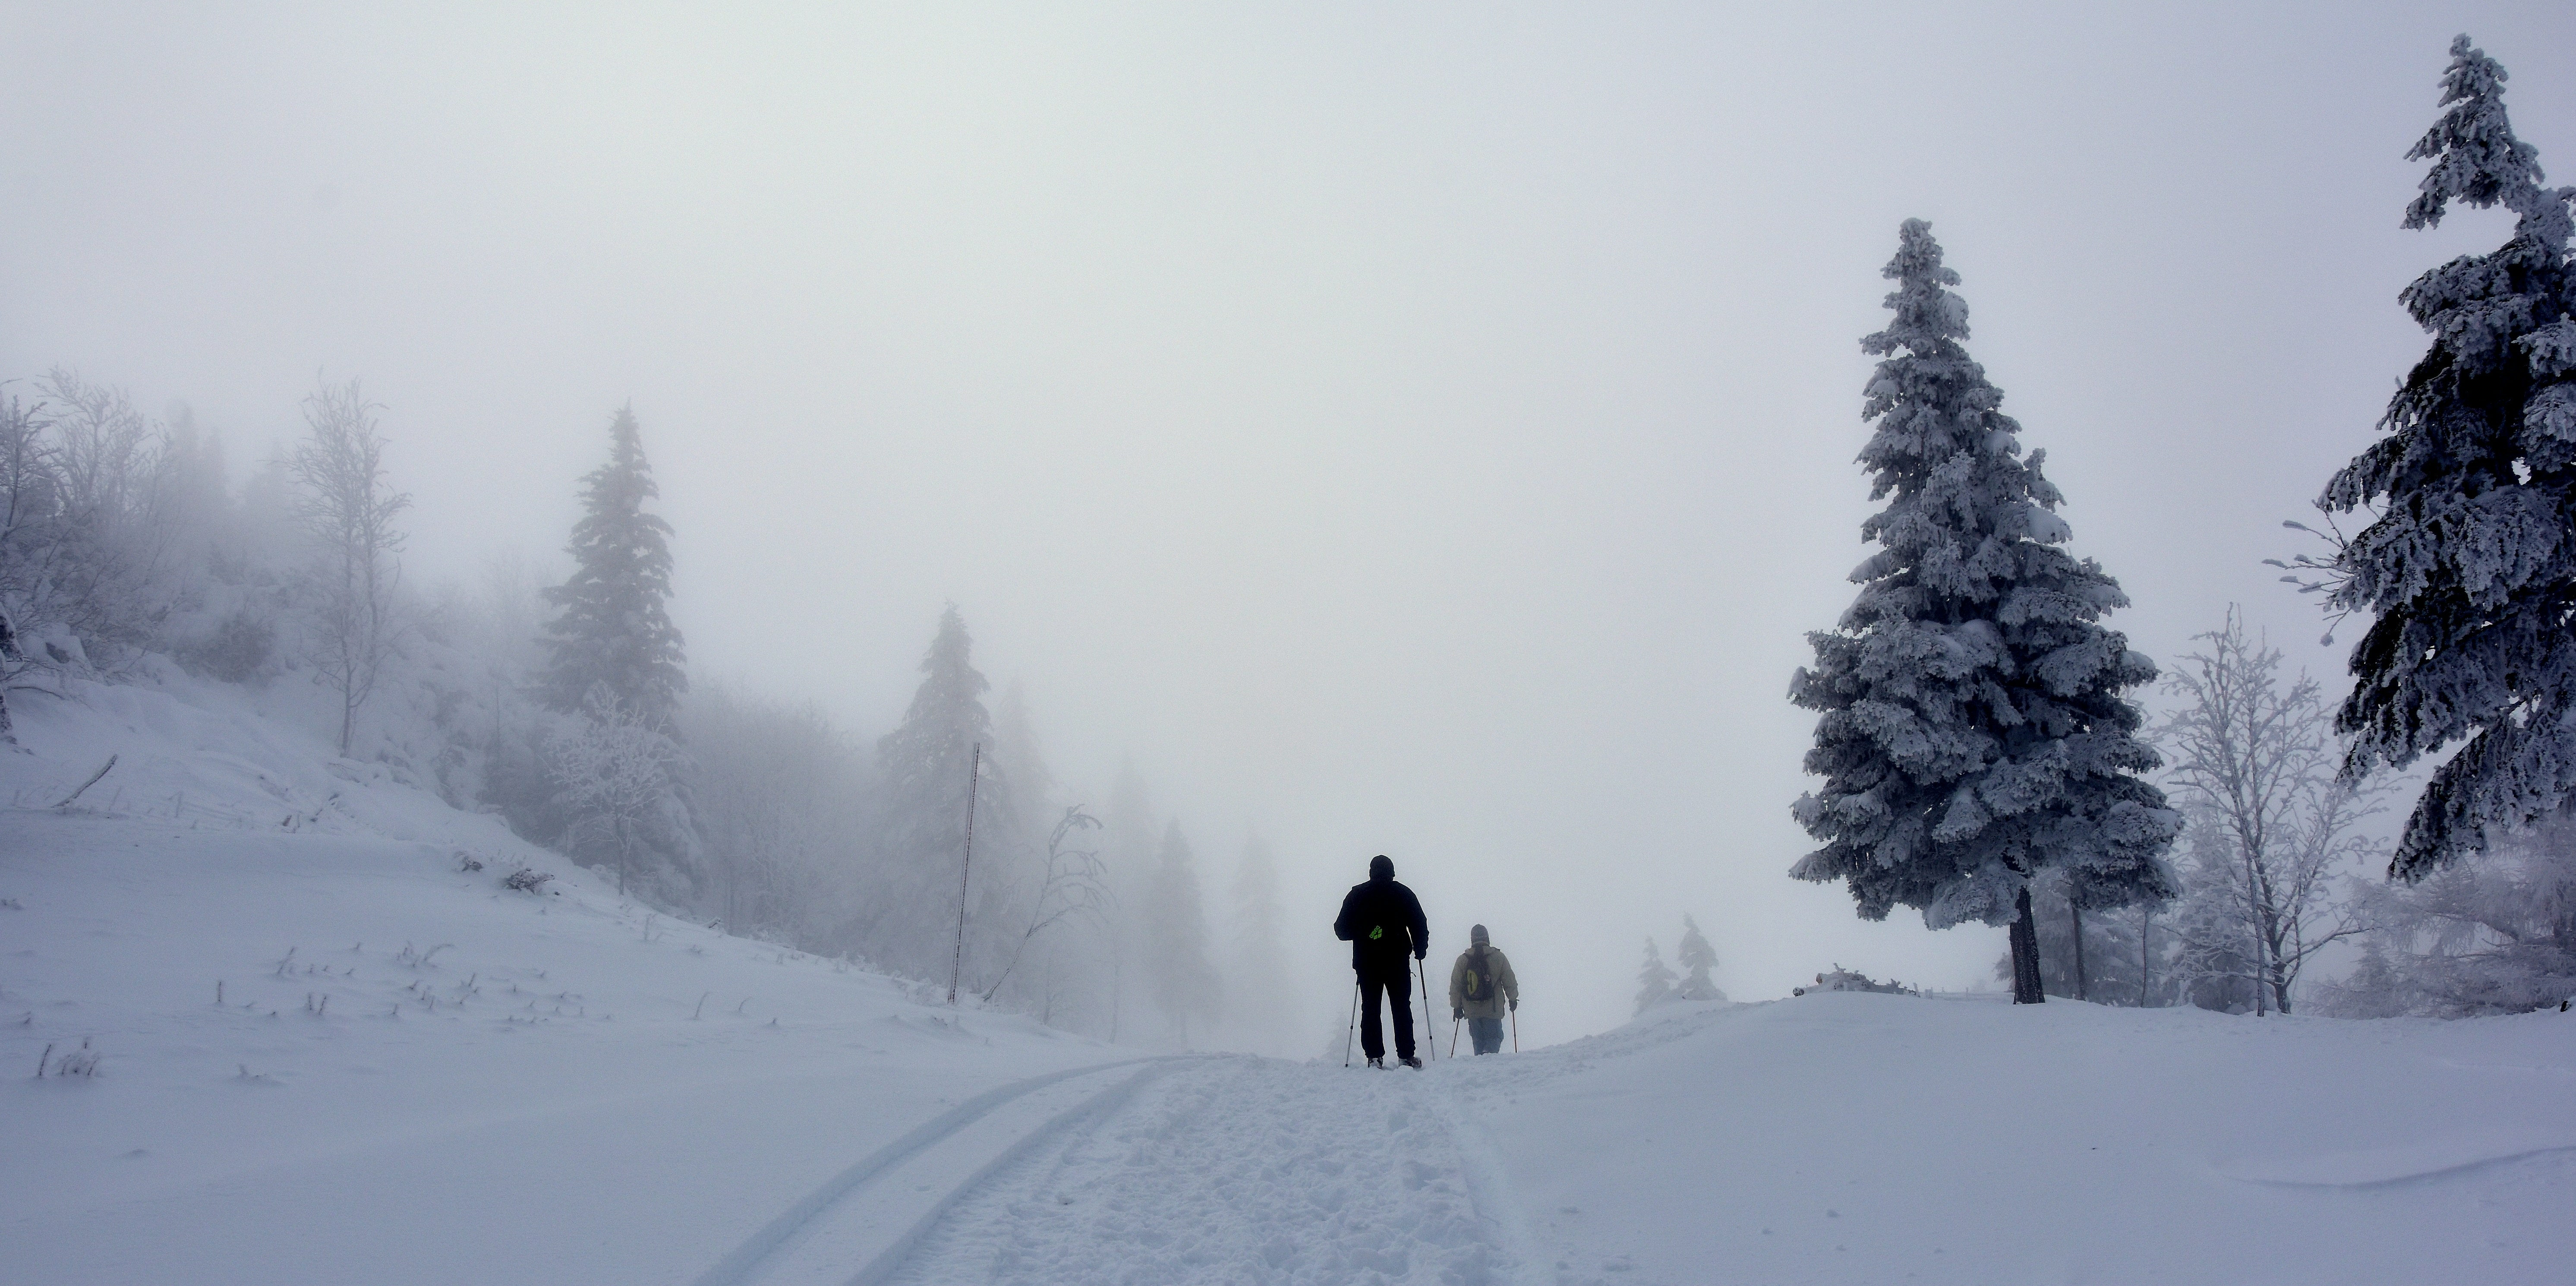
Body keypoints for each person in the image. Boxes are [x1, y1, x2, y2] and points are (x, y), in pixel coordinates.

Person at [1334, 853, 1428, 1069]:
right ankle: (1406, 1055)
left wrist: (1365, 934)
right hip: (1398, 961)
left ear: (1371, 872)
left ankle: (1374, 1057)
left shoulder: (1358, 894)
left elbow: (1341, 930)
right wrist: (1420, 948)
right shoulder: (1402, 893)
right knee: (1402, 1007)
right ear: (1392, 872)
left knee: (1370, 1007)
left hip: (1367, 962)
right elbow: (1419, 922)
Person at [1449, 923, 1520, 1055]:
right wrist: (1513, 999)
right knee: (1494, 1040)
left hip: (1472, 1011)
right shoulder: (1499, 957)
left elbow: (1456, 986)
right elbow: (1509, 981)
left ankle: (1481, 1064)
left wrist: (1456, 1007)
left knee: (1478, 1043)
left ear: (1472, 939)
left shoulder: (1463, 960)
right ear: (1487, 938)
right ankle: (1488, 1061)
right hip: (1493, 1010)